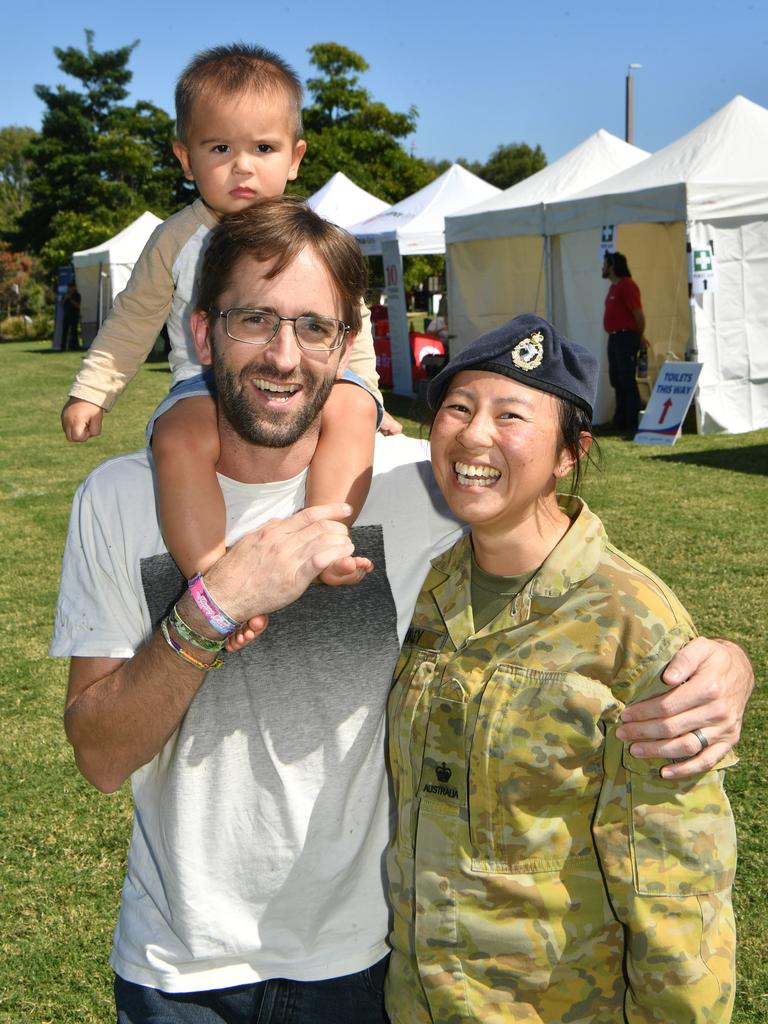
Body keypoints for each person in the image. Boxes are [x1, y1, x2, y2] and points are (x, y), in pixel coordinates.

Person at [51, 199, 752, 1024]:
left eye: (315, 327)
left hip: (365, 965)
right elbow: (99, 757)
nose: (284, 357)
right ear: (203, 333)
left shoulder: (420, 485)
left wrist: (722, 661)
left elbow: (571, 563)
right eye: (254, 320)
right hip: (177, 971)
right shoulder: (119, 500)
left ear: (347, 345)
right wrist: (215, 605)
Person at [385, 314, 738, 1023]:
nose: (475, 434)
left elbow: (677, 889)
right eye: (458, 408)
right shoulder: (423, 592)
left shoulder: (633, 628)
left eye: (511, 414)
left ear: (569, 454)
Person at [59, 43, 387, 587]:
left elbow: (351, 320)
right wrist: (93, 390)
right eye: (219, 148)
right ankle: (212, 575)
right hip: (204, 383)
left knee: (352, 408)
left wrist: (369, 387)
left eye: (263, 146)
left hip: (314, 376)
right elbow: (133, 319)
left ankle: (325, 537)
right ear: (186, 159)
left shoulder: (316, 239)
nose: (242, 166)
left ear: (295, 156)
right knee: (176, 438)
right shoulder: (174, 240)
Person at [602, 250, 648, 432]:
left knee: (627, 379)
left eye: (605, 264)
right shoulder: (614, 287)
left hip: (626, 337)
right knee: (617, 379)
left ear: (612, 267)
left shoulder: (627, 286)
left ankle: (632, 422)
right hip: (614, 337)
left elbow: (639, 315)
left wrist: (638, 336)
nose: (602, 268)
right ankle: (620, 421)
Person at [60, 281, 81, 351]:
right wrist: (66, 298)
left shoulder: (77, 295)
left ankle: (75, 347)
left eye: (71, 287)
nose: (70, 289)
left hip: (74, 317)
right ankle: (63, 347)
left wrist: (70, 299)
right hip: (66, 316)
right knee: (64, 332)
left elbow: (77, 305)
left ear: (74, 288)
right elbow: (61, 304)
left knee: (74, 332)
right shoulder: (65, 295)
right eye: (69, 287)